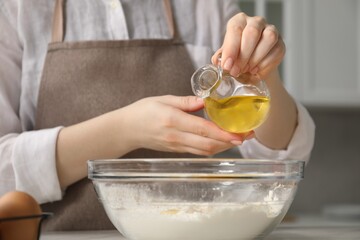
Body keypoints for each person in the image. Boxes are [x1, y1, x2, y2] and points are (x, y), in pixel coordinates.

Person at [0, 0, 315, 230]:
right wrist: (125, 131)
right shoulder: (15, 9)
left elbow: (279, 155)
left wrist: (265, 72)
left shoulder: (206, 6)